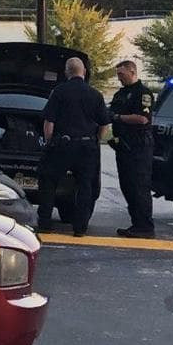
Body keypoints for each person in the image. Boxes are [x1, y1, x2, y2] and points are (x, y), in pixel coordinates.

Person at [37, 57, 111, 237]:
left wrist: (49, 142)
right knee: (85, 186)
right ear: (84, 72)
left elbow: (49, 122)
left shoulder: (59, 92)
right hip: (86, 147)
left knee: (49, 181)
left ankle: (45, 222)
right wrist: (95, 140)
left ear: (66, 72)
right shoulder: (95, 94)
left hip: (62, 145)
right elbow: (104, 124)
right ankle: (80, 227)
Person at [109, 60, 156, 238]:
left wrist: (118, 117)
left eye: (122, 74)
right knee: (127, 185)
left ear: (132, 72)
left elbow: (143, 119)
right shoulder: (120, 94)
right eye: (118, 75)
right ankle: (136, 223)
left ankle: (145, 226)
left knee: (139, 186)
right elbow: (109, 113)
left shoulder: (143, 93)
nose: (119, 78)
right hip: (123, 146)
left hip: (139, 147)